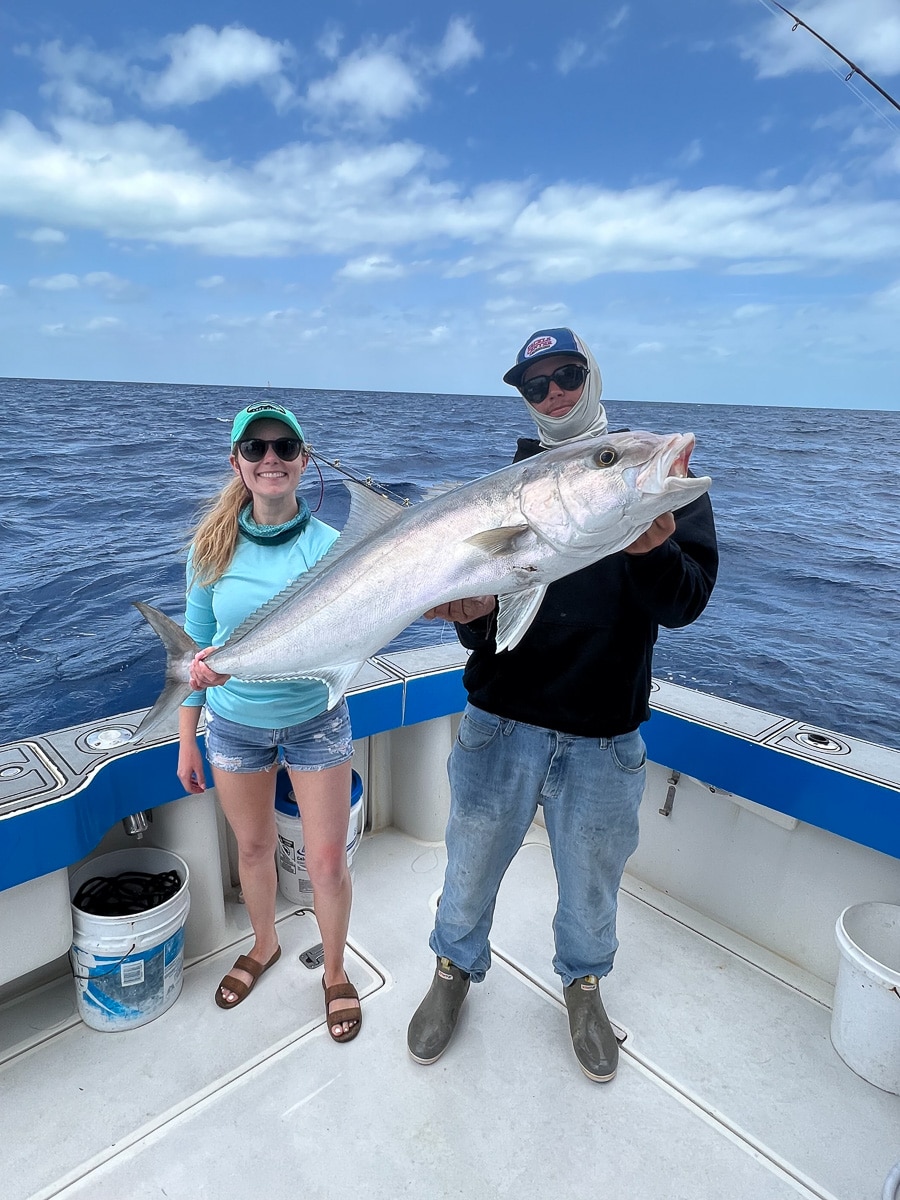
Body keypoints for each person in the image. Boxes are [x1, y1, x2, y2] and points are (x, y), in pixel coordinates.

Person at [407, 328, 718, 1081]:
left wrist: (651, 552)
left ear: (592, 374)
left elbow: (685, 603)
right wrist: (470, 614)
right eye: (535, 385)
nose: (554, 394)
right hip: (499, 723)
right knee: (470, 865)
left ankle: (584, 988)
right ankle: (453, 972)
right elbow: (485, 629)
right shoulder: (503, 490)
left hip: (604, 735)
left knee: (591, 880)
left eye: (567, 375)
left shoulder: (652, 481)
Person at [177, 402, 361, 1042]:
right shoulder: (211, 546)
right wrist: (186, 737)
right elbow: (197, 645)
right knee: (252, 849)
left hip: (316, 719)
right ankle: (264, 944)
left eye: (284, 446)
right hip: (232, 725)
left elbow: (361, 623)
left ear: (304, 461)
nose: (270, 458)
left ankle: (335, 971)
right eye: (254, 449)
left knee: (327, 859)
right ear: (238, 464)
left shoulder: (335, 549)